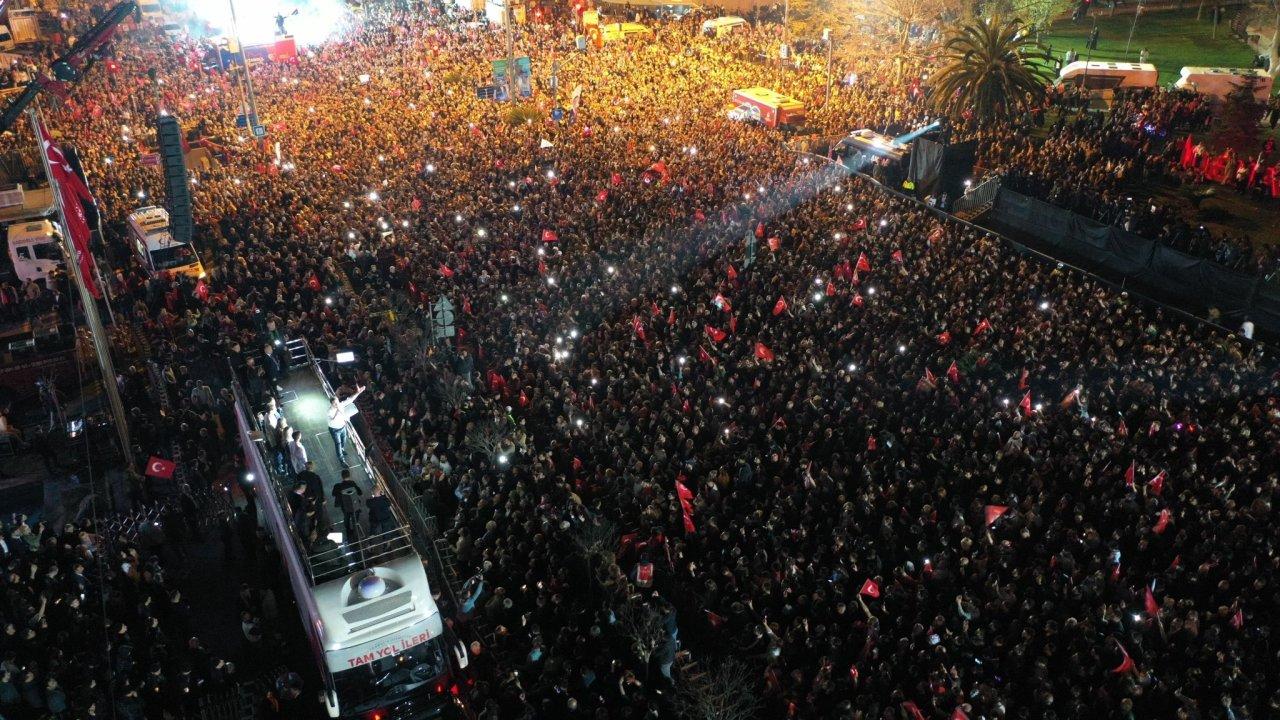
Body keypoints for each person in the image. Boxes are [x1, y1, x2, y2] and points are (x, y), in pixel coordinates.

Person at [326, 385, 366, 466]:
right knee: (338, 444)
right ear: (331, 404)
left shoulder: (340, 405)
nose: (336, 404)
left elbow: (350, 399)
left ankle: (342, 449)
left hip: (342, 427)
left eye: (337, 402)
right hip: (334, 430)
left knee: (343, 440)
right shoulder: (329, 411)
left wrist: (358, 392)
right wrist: (337, 412)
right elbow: (331, 420)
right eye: (334, 404)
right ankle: (342, 460)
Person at [331, 469, 363, 539]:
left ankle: (348, 530)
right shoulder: (352, 483)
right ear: (349, 475)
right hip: (355, 505)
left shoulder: (338, 486)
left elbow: (333, 494)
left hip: (345, 506)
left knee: (346, 518)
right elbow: (360, 492)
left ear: (342, 476)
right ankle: (356, 531)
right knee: (355, 518)